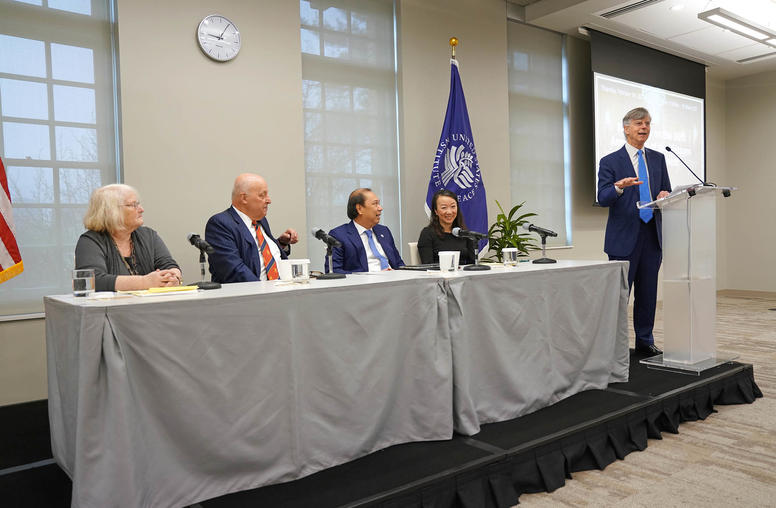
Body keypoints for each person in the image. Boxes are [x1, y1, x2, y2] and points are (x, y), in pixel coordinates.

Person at [597, 107, 671, 355]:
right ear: (626, 128)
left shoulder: (658, 158)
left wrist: (665, 195)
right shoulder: (610, 161)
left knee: (648, 293)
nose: (645, 128)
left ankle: (644, 340)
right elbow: (603, 197)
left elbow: (666, 191)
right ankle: (615, 346)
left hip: (652, 235)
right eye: (639, 123)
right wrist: (618, 187)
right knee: (619, 297)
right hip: (624, 238)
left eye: (648, 123)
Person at [75, 184, 182, 292]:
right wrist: (144, 282)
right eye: (133, 205)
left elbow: (169, 265)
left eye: (138, 204)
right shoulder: (90, 241)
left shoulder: (149, 236)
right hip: (113, 308)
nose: (141, 209)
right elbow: (94, 281)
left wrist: (173, 277)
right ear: (111, 211)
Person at [205, 173, 298, 283]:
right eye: (262, 195)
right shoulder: (220, 224)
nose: (269, 200)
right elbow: (233, 270)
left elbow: (259, 254)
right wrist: (266, 292)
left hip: (282, 288)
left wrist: (281, 243)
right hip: (250, 295)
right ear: (244, 198)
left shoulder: (261, 220)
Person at [327, 188, 404, 273]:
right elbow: (333, 271)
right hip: (365, 284)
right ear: (359, 209)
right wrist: (373, 276)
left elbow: (399, 264)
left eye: (379, 203)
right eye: (375, 204)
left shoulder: (384, 231)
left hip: (394, 281)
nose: (380, 208)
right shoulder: (339, 235)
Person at [417, 189, 476, 265]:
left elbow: (473, 264)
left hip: (464, 276)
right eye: (444, 207)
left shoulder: (464, 233)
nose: (449, 212)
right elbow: (428, 265)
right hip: (438, 276)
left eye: (453, 206)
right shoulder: (427, 234)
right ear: (436, 211)